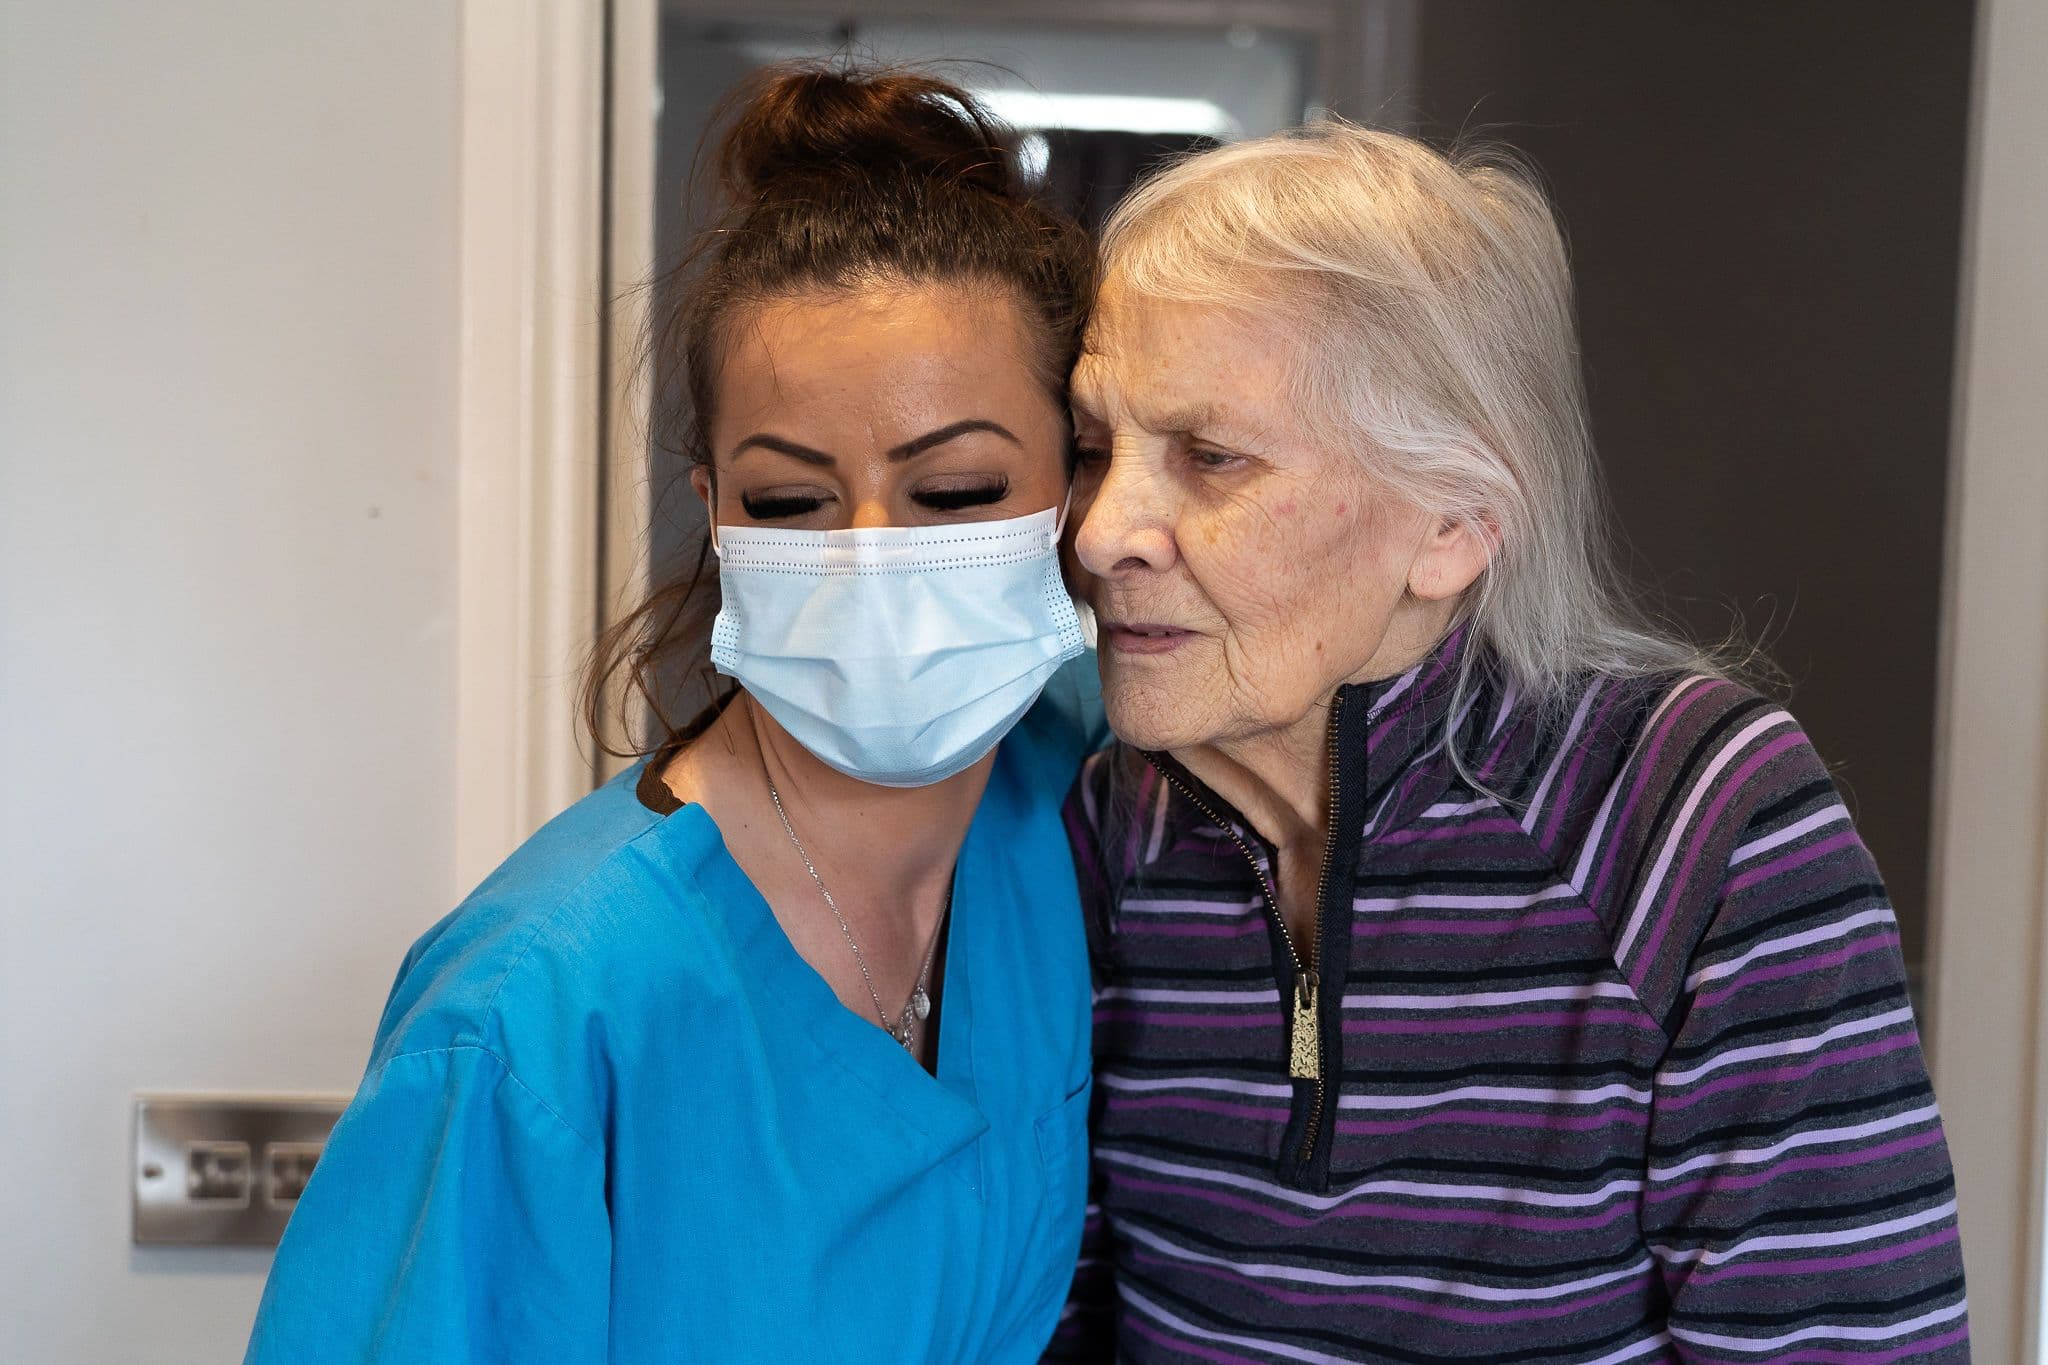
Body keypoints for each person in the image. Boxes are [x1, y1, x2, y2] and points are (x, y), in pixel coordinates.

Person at [1048, 123, 1967, 1362]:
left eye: (1210, 459)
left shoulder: (1698, 825)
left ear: (1453, 526)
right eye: (1091, 450)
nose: (1101, 534)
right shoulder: (1106, 827)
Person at [245, 66, 1101, 1363]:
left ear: (1077, 486)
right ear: (712, 504)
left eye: (955, 489)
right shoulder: (539, 1013)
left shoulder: (1064, 810)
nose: (871, 559)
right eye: (793, 504)